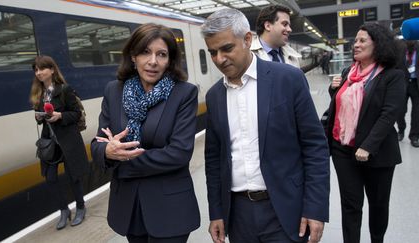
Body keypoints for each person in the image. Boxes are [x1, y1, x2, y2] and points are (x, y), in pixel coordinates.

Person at [201, 9, 330, 243]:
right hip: (238, 216)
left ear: (248, 40)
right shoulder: (214, 96)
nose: (220, 59)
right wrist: (217, 212)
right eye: (212, 52)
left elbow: (315, 146)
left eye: (227, 48)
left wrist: (315, 207)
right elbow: (213, 159)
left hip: (285, 209)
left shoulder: (288, 79)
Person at [90, 23, 200, 243]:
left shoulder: (184, 93)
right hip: (129, 207)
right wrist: (107, 151)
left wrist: (123, 161)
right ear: (133, 56)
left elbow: (179, 153)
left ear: (170, 60)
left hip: (170, 209)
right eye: (145, 52)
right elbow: (98, 143)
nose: (153, 61)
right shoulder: (114, 90)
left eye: (161, 54)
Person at [325, 23, 405, 243]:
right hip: (343, 149)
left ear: (377, 45)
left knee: (378, 205)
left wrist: (368, 145)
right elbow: (340, 107)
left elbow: (389, 115)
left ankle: (377, 239)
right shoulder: (347, 73)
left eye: (362, 41)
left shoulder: (392, 76)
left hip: (377, 153)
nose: (355, 45)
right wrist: (334, 90)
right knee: (350, 205)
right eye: (355, 41)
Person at [29, 55, 89, 230]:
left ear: (52, 70)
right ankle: (64, 210)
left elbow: (76, 113)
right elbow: (41, 119)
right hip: (50, 142)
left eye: (42, 69)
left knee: (73, 176)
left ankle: (80, 207)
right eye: (36, 70)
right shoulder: (39, 94)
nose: (38, 73)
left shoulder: (65, 89)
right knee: (50, 178)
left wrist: (60, 116)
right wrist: (39, 117)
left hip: (68, 139)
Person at [251, 5, 320, 73]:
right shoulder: (247, 55)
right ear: (268, 26)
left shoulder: (293, 57)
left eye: (289, 25)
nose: (290, 29)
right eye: (284, 24)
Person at [395, 40, 419, 147]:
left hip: (416, 84)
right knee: (400, 110)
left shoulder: (418, 48)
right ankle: (401, 130)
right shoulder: (400, 49)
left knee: (417, 112)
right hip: (402, 83)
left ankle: (414, 136)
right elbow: (395, 66)